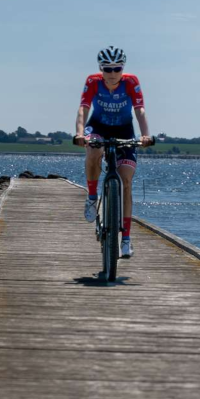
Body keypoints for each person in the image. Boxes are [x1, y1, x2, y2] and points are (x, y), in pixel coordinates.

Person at [73, 46, 153, 258]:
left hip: (124, 129)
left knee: (126, 181)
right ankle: (91, 196)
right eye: (107, 69)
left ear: (122, 68)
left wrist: (145, 135)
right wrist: (79, 133)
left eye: (117, 68)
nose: (112, 73)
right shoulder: (93, 82)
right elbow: (83, 108)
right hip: (97, 127)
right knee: (92, 150)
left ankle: (125, 239)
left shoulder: (131, 82)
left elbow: (140, 110)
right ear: (101, 69)